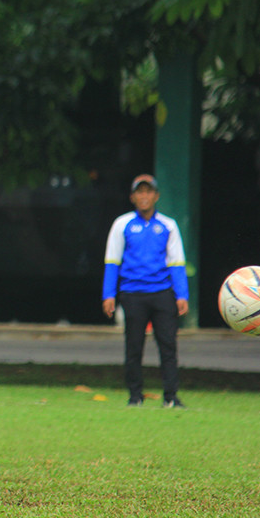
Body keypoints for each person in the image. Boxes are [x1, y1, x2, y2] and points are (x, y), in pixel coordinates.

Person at [102, 174, 189, 408]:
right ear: (132, 197)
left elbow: (176, 262)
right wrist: (108, 294)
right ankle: (135, 397)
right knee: (134, 346)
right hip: (132, 294)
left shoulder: (168, 225)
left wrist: (182, 295)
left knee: (168, 346)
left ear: (156, 196)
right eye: (139, 192)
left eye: (148, 191)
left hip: (162, 293)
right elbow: (112, 260)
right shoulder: (123, 224)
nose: (144, 196)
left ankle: (171, 397)